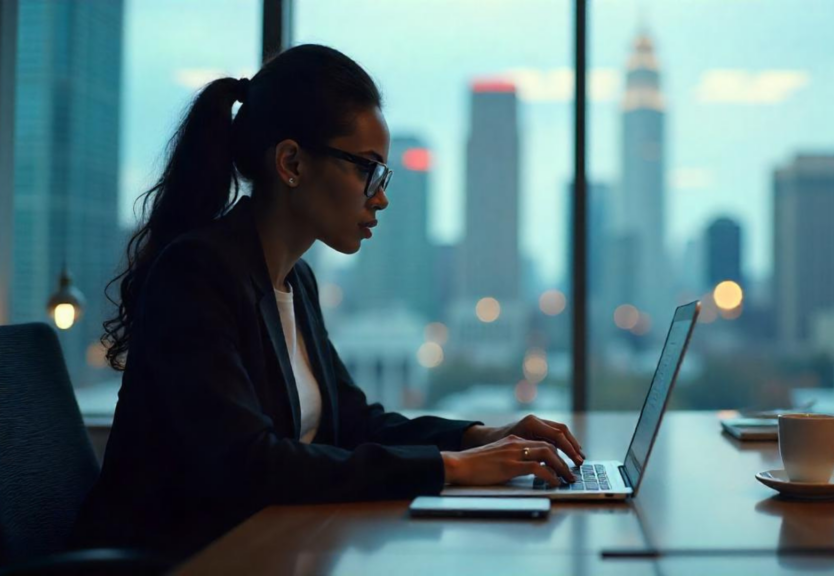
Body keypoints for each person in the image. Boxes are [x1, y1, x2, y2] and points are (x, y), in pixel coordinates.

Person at [71, 44, 584, 560]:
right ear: (291, 162)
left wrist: (480, 436)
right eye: (368, 170)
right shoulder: (197, 274)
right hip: (180, 560)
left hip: (267, 548)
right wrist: (451, 468)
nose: (380, 196)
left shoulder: (297, 280)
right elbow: (246, 465)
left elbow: (354, 421)